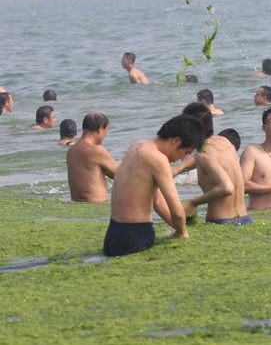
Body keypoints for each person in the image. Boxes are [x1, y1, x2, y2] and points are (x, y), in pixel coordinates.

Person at [103, 115, 205, 256]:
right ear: (176, 141)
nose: (181, 158)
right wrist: (183, 233)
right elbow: (177, 212)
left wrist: (177, 228)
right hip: (136, 235)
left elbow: (157, 201)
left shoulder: (137, 146)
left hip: (113, 233)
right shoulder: (158, 159)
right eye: (185, 152)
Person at [179, 103, 251, 225]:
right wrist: (177, 170)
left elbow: (227, 188)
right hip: (245, 219)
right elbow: (206, 159)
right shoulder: (225, 142)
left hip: (221, 222)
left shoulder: (204, 154)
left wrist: (193, 203)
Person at [66, 112, 118, 202]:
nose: (105, 135)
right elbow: (120, 174)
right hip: (96, 205)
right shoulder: (96, 150)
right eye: (106, 131)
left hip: (77, 204)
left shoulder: (71, 151)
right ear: (100, 129)